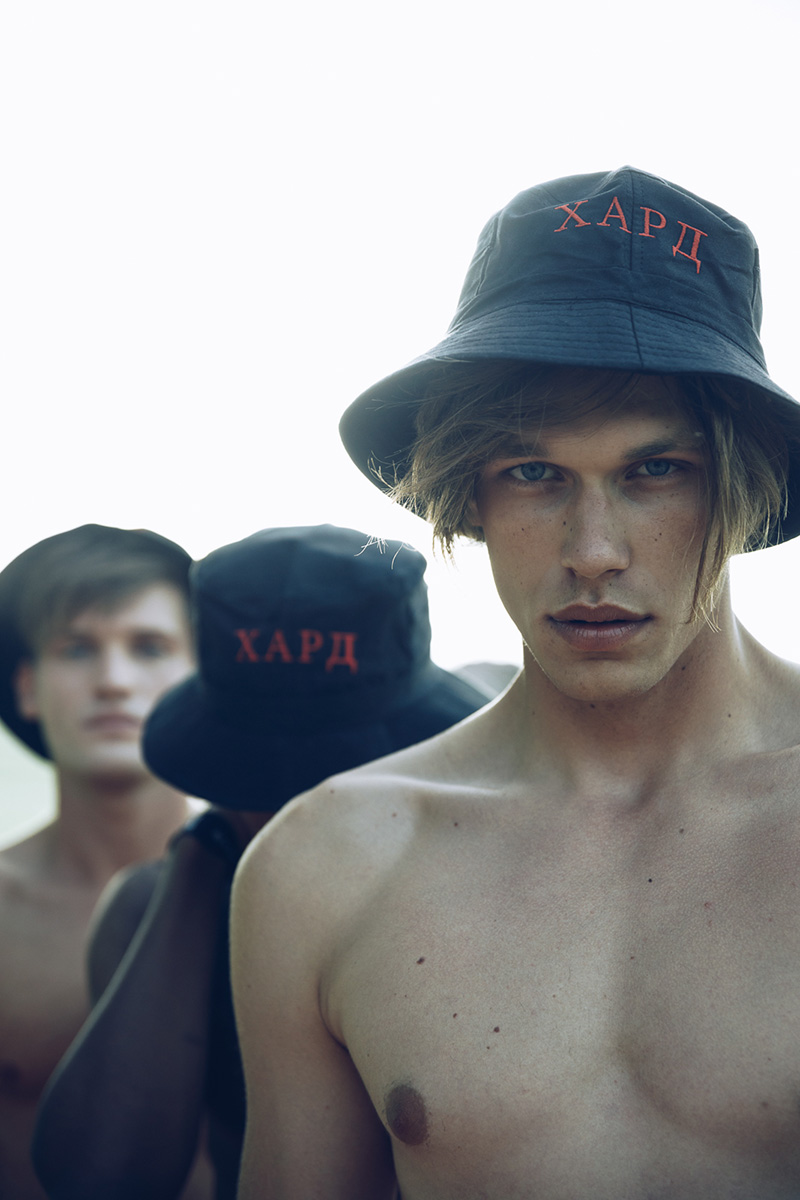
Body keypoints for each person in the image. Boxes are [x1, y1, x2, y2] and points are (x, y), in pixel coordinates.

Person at [231, 166, 800, 1199]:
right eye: (534, 474)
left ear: (742, 484)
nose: (592, 551)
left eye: (654, 471)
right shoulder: (329, 864)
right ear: (469, 497)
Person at [31, 524, 495, 1200]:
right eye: (265, 781)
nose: (305, 807)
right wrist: (203, 857)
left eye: (335, 775)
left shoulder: (494, 887)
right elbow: (101, 1176)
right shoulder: (162, 906)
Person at [0, 524, 197, 1200]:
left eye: (149, 647)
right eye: (78, 649)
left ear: (202, 677)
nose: (114, 681)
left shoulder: (275, 889)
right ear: (27, 687)